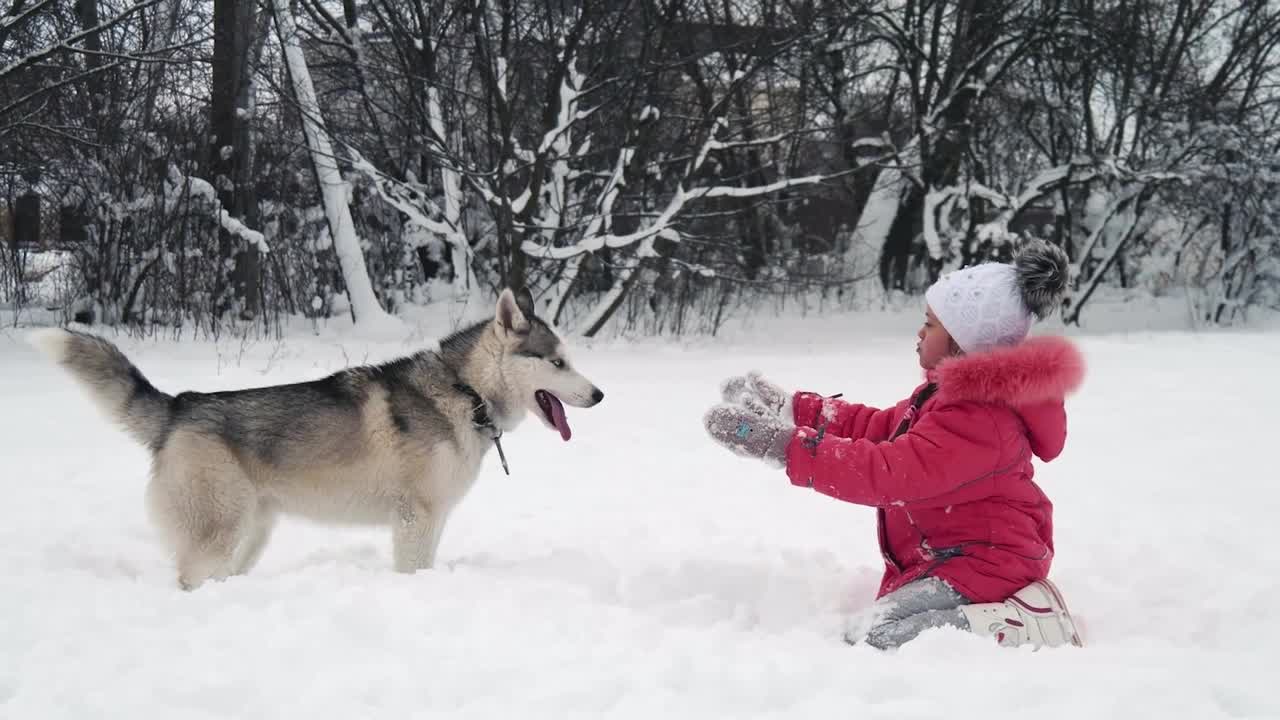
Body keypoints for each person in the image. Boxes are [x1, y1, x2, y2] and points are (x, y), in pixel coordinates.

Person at [704, 240, 1085, 650]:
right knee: (871, 630)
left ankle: (1019, 624)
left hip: (985, 566)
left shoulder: (980, 419)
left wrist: (787, 448)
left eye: (931, 324)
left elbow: (889, 472)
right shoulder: (949, 399)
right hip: (955, 562)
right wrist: (798, 410)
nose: (920, 332)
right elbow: (882, 427)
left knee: (876, 637)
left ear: (963, 343)